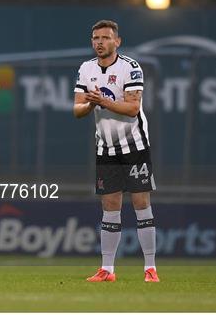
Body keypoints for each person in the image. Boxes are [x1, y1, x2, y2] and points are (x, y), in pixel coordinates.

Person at [73, 20, 159, 283]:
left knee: (141, 204)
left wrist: (104, 101)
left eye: (105, 38)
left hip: (134, 146)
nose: (99, 42)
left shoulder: (130, 68)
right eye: (95, 38)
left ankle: (150, 268)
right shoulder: (86, 69)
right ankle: (107, 269)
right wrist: (90, 105)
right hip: (106, 148)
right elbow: (77, 110)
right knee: (110, 206)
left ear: (117, 42)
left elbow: (133, 108)